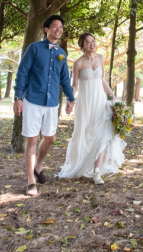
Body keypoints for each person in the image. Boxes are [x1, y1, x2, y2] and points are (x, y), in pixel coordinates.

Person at [13, 15, 75, 196]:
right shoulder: (34, 48)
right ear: (46, 29)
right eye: (55, 26)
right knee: (31, 139)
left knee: (50, 138)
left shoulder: (61, 53)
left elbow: (64, 78)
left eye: (61, 27)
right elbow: (22, 72)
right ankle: (31, 181)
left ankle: (37, 166)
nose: (59, 29)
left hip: (51, 103)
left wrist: (71, 98)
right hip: (32, 99)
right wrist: (17, 97)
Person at [57, 33, 125, 184]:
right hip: (85, 103)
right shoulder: (78, 63)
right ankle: (80, 164)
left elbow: (102, 80)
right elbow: (74, 86)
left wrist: (112, 95)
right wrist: (70, 99)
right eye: (88, 42)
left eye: (93, 41)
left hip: (100, 102)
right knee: (85, 135)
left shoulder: (101, 58)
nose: (91, 44)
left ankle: (97, 172)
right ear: (82, 45)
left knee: (101, 134)